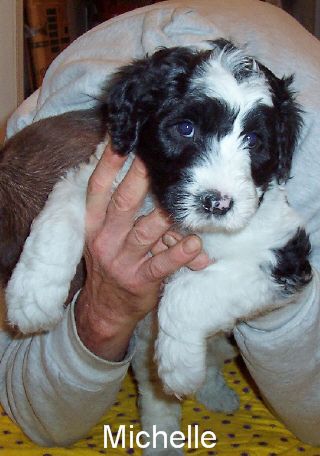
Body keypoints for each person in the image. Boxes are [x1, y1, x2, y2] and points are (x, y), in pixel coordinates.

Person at [1, 0, 320, 448]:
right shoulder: (33, 139)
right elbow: (33, 407)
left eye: (252, 140)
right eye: (186, 131)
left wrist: (189, 316)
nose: (218, 188)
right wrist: (87, 298)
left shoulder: (305, 175)